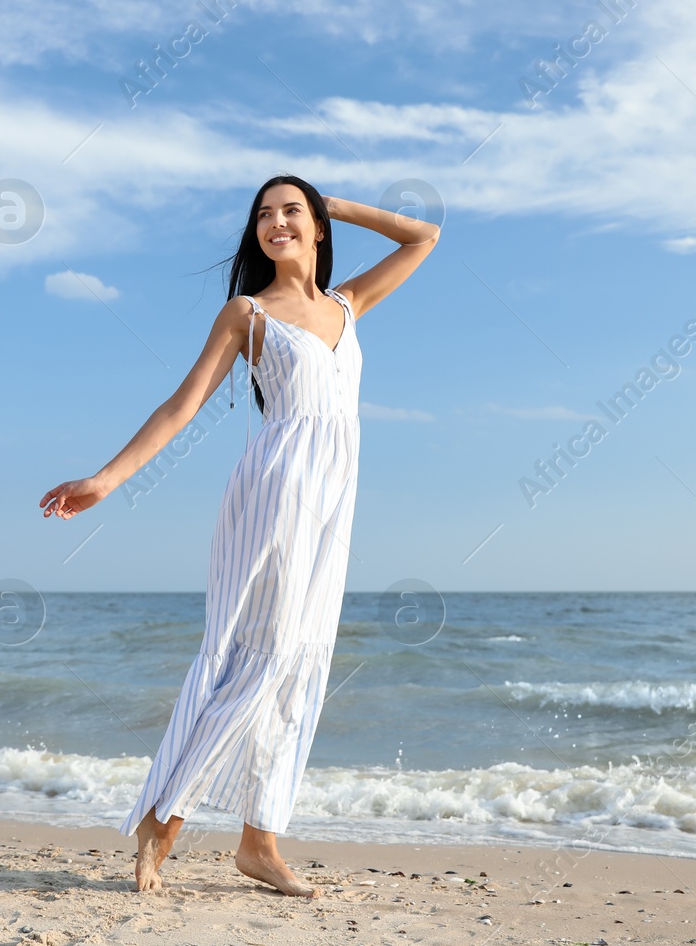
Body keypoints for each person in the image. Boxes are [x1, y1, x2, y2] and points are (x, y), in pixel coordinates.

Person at [38, 175, 439, 895]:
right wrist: (107, 477)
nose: (275, 223)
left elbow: (424, 236)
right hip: (274, 494)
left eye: (291, 211)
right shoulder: (247, 314)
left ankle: (260, 840)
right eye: (264, 215)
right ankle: (163, 814)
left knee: (302, 659)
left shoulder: (350, 303)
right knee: (258, 654)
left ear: (314, 225)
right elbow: (179, 405)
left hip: (332, 504)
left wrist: (333, 204)